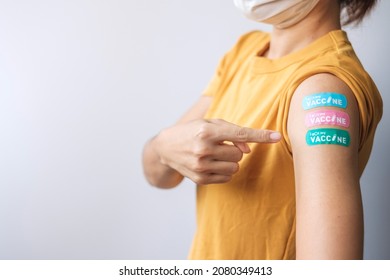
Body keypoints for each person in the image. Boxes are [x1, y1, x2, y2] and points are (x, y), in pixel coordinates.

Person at [142, 0, 382, 260]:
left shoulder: (322, 89)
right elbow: (158, 174)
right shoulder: (245, 52)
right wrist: (162, 146)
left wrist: (164, 147)